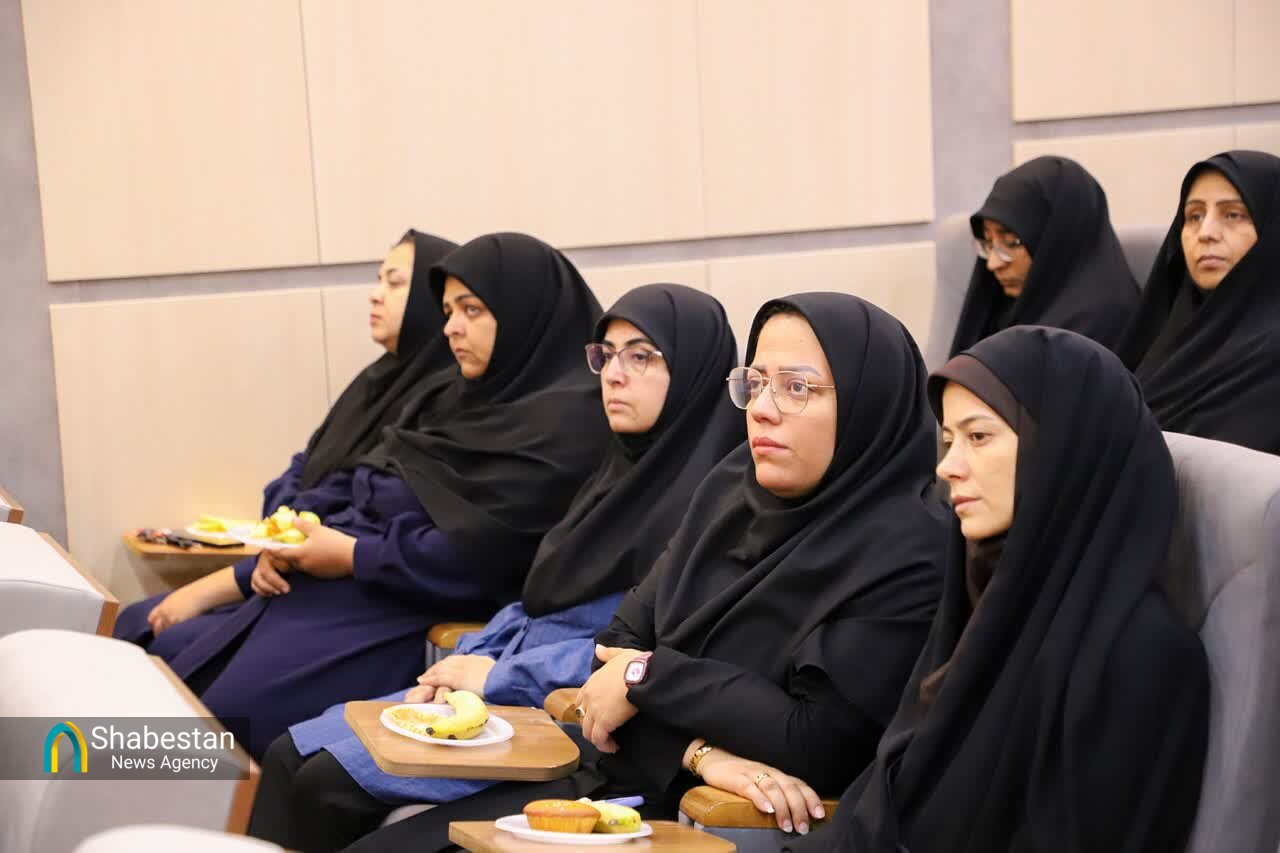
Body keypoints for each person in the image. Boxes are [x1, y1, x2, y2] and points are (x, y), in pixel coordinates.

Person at [328, 293, 948, 853]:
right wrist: (696, 751)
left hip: (705, 823)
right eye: (756, 383)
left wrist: (648, 676)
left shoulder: (906, 549)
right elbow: (615, 647)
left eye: (797, 388)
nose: (762, 409)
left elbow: (817, 742)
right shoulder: (732, 489)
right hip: (630, 775)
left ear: (867, 402)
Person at [246, 283, 746, 850]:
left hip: (570, 719)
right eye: (605, 355)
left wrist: (492, 676)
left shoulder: (710, 501)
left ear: (694, 370)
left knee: (324, 782)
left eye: (640, 357)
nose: (613, 374)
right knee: (291, 754)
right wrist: (464, 664)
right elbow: (540, 601)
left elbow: (630, 652)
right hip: (508, 681)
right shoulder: (620, 473)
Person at [117, 232, 611, 759]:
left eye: (471, 309)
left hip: (406, 605)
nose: (451, 327)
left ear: (524, 312)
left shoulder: (569, 422)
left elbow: (486, 555)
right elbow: (349, 479)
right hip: (344, 584)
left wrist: (351, 555)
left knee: (225, 711)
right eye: (448, 311)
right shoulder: (451, 397)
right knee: (162, 664)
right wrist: (296, 543)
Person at [789, 326, 1209, 853]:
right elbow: (886, 799)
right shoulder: (984, 598)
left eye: (979, 437)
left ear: (1061, 449)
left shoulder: (1139, 657)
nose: (947, 468)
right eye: (948, 441)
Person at [1118, 150, 1280, 454]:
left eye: (1233, 215)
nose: (1205, 233)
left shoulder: (1271, 356)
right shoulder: (1171, 327)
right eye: (1194, 216)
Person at [949, 156, 1138, 356]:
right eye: (988, 242)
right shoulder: (1005, 306)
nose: (993, 263)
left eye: (1011, 242)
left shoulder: (1096, 327)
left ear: (1058, 241)